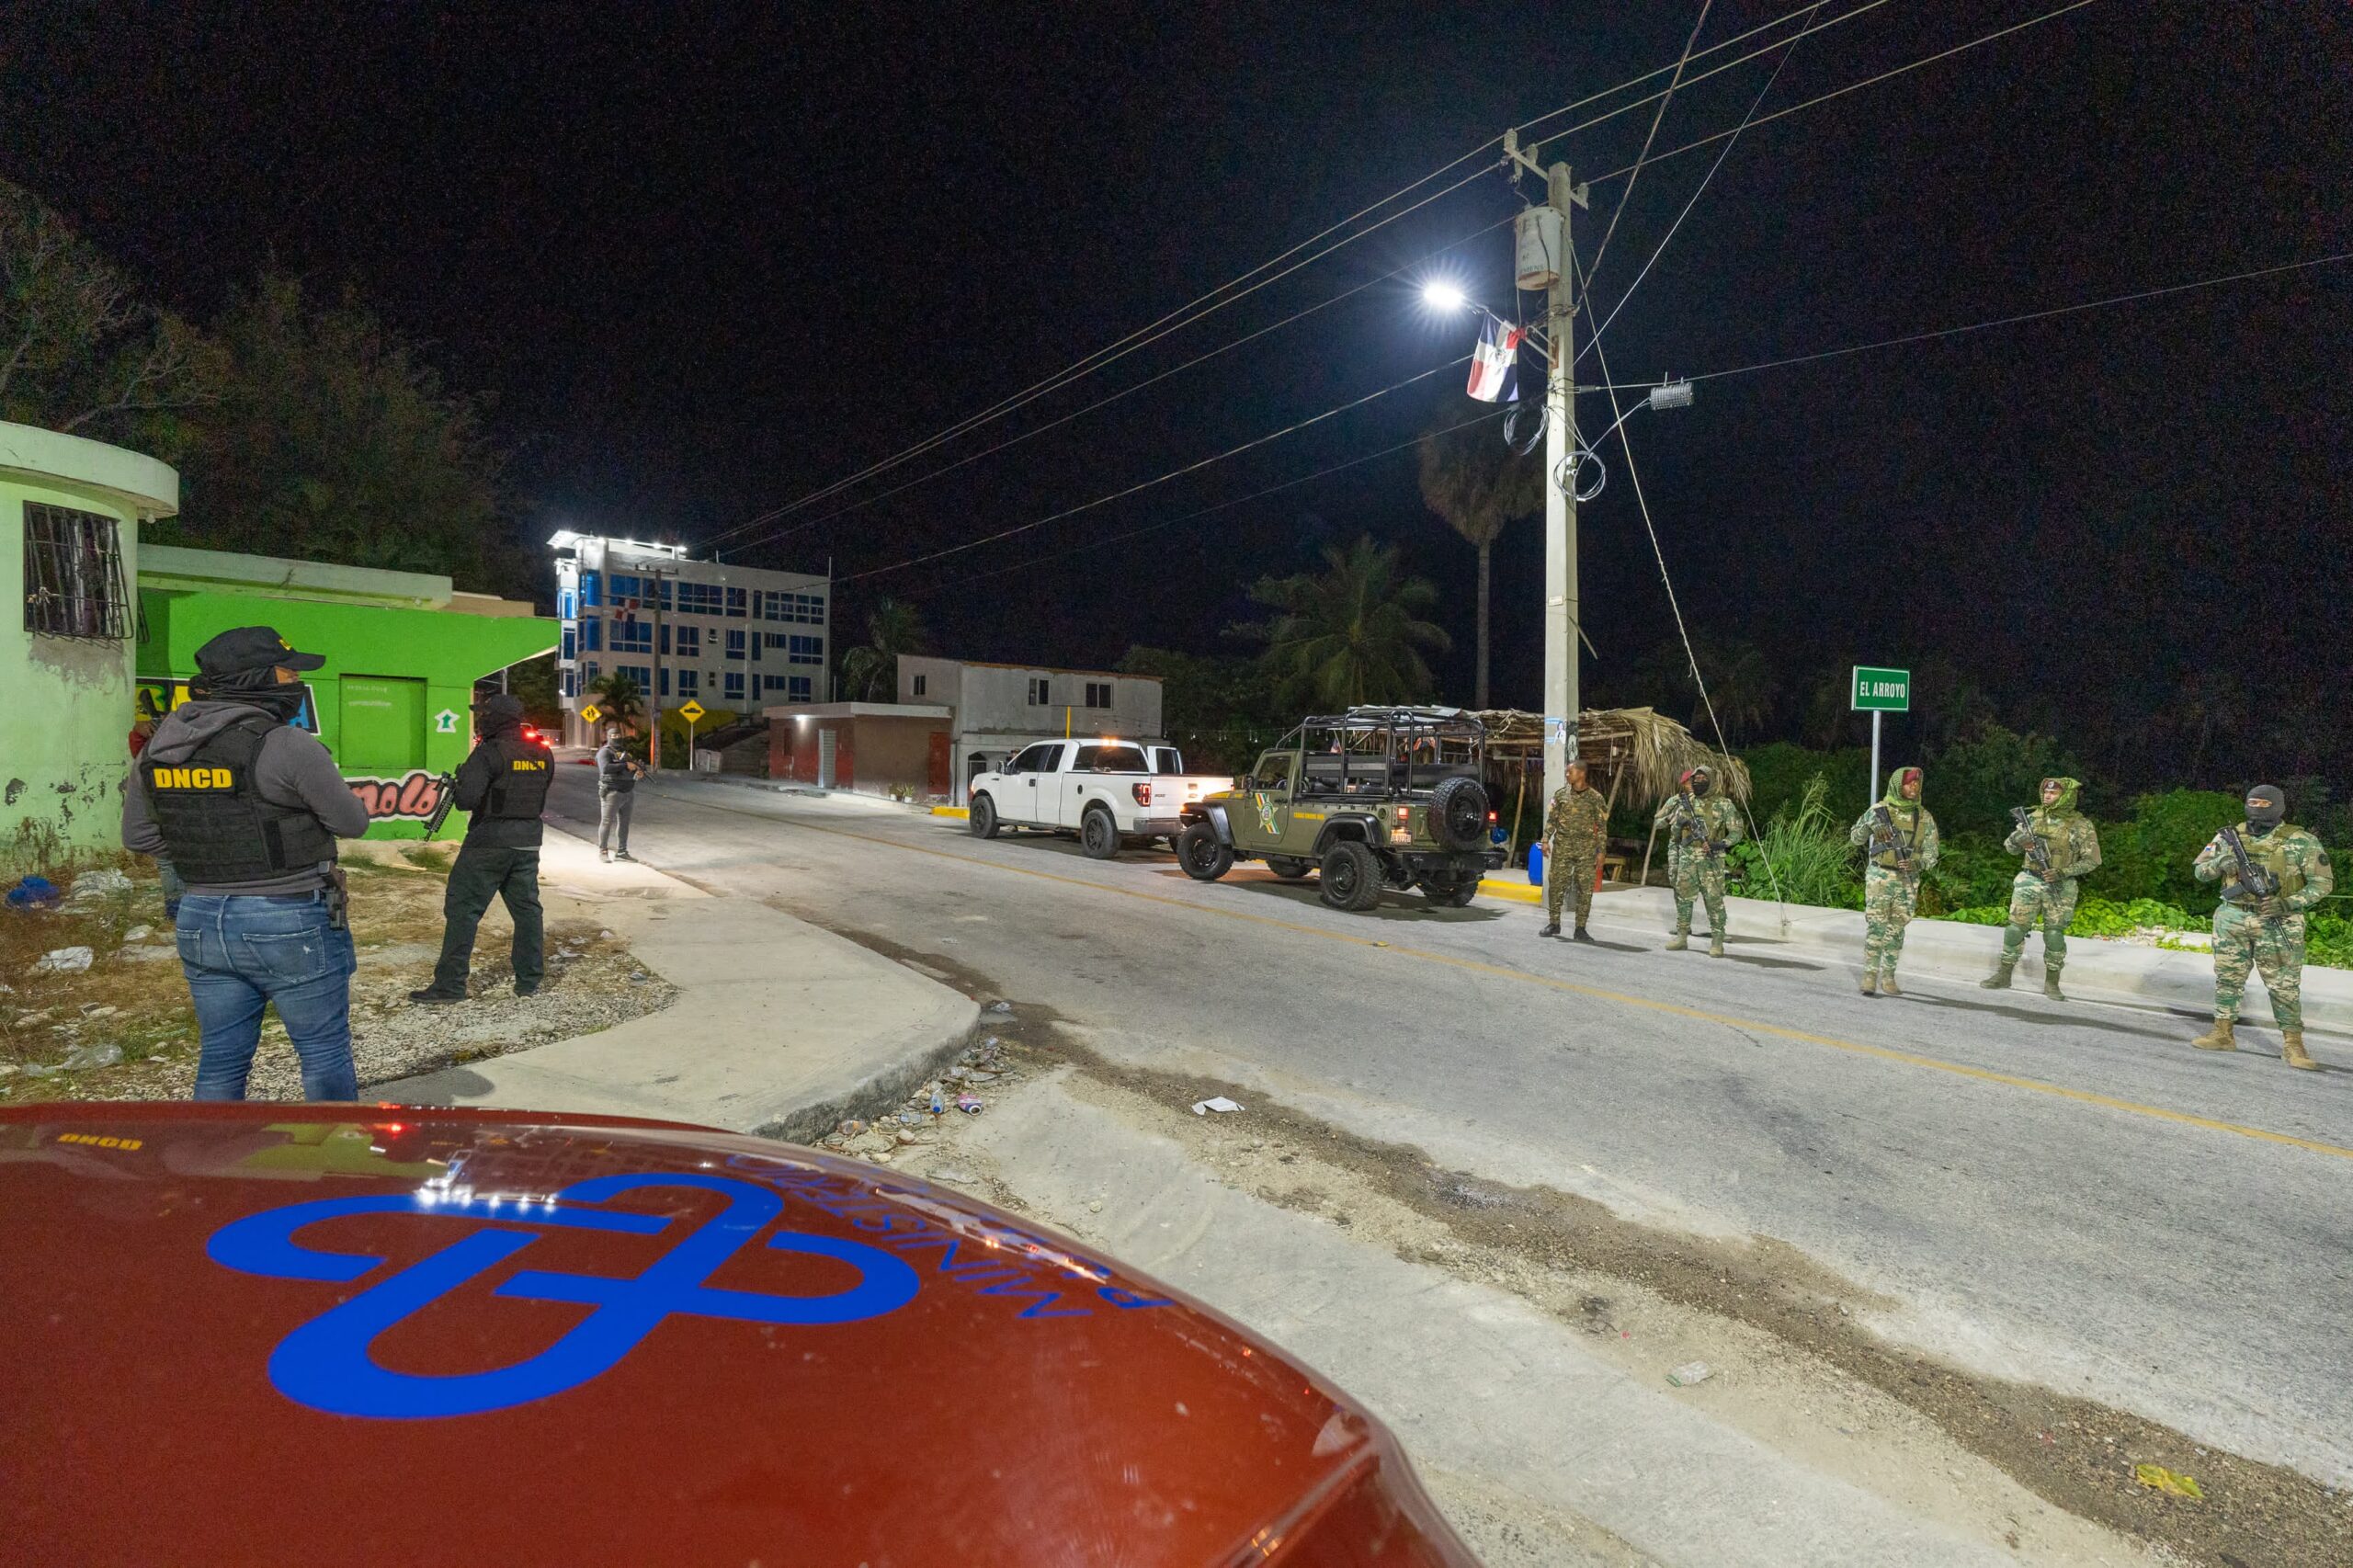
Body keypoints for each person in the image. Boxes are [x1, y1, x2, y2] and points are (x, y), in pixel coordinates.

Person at [120, 626, 369, 1100]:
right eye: (287, 673)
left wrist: (209, 854)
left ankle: (213, 1149)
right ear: (255, 679)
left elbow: (138, 836)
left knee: (221, 1058)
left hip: (200, 918)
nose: (296, 683)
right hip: (288, 915)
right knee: (323, 1052)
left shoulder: (158, 749)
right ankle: (335, 1145)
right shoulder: (286, 744)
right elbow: (351, 823)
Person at [409, 694, 553, 1005]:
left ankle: (450, 985)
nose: (480, 720)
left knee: (463, 910)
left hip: (488, 842)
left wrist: (462, 780)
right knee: (527, 912)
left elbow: (466, 801)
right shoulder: (543, 752)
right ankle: (529, 982)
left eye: (484, 715)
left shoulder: (488, 752)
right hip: (528, 841)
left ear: (496, 718)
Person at [2188, 783, 2333, 1069]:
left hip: (2278, 921)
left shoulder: (2301, 841)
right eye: (2253, 802)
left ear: (2278, 807)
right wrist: (2220, 863)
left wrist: (2288, 903)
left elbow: (2322, 884)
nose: (2257, 808)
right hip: (2233, 916)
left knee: (2284, 985)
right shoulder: (2228, 837)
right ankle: (2222, 1033)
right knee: (2228, 978)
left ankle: (2293, 1045)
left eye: (2265, 804)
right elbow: (2200, 872)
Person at [1980, 776, 2101, 1000]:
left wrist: (2063, 872)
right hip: (2029, 880)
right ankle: (2004, 975)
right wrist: (2018, 839)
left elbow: (2093, 860)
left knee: (2054, 934)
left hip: (2060, 885)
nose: (2047, 796)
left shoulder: (2080, 825)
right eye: (2046, 791)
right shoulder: (2032, 818)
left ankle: (2052, 983)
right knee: (2015, 928)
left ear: (2066, 797)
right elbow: (2010, 848)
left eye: (2053, 793)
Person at [1847, 766, 1939, 996]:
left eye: (1917, 783)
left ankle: (1888, 977)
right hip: (1880, 877)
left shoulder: (1924, 817)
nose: (1914, 787)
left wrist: (1918, 864)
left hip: (1907, 880)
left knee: (1897, 930)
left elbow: (1932, 854)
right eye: (1909, 783)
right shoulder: (1879, 810)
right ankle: (1870, 976)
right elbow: (1856, 838)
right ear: (1898, 785)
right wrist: (1872, 826)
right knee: (1876, 927)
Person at [1653, 765, 1743, 957]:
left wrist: (1720, 844)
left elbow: (1737, 832)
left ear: (1712, 781)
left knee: (1714, 900)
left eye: (1703, 779)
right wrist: (1678, 822)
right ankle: (1682, 937)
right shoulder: (1683, 802)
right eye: (1696, 779)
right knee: (1683, 898)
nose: (1698, 782)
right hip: (1687, 857)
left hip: (1712, 860)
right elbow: (1664, 825)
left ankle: (1717, 942)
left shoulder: (1724, 804)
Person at [1540, 758, 1608, 942]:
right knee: (1556, 885)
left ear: (1581, 774)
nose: (1567, 775)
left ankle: (1580, 929)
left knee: (1585, 889)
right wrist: (1545, 840)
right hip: (1562, 848)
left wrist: (1601, 852)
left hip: (1586, 850)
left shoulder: (1596, 798)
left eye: (1570, 772)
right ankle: (1554, 923)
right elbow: (1552, 820)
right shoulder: (1560, 795)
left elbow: (1602, 828)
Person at [596, 723, 644, 862]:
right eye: (613, 735)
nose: (616, 738)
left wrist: (638, 771)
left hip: (628, 791)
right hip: (612, 791)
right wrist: (625, 765)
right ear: (608, 737)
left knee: (624, 823)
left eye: (618, 735)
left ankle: (622, 851)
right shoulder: (604, 752)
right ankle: (603, 851)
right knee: (606, 822)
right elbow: (605, 768)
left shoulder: (625, 752)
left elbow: (633, 766)